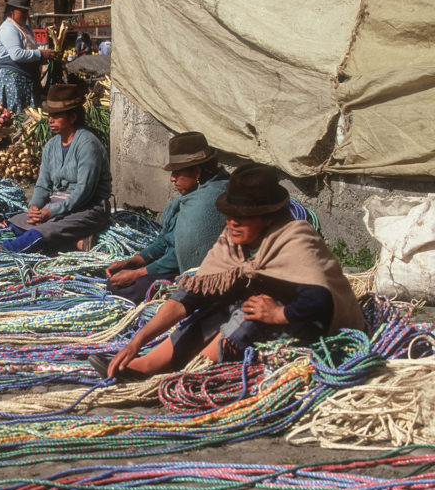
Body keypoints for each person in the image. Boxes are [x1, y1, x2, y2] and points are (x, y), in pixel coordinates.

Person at [90, 163, 365, 381]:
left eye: (242, 216)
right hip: (266, 316)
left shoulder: (295, 236)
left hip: (316, 327)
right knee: (215, 306)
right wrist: (137, 342)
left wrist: (278, 314)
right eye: (229, 214)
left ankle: (192, 374)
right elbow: (191, 295)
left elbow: (320, 301)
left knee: (247, 312)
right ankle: (147, 363)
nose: (232, 222)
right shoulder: (233, 240)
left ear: (267, 216)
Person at [0, 84, 111, 253]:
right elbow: (43, 184)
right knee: (17, 222)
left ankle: (0, 251)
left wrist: (51, 212)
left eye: (56, 116)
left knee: (42, 231)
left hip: (88, 208)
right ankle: (74, 241)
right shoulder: (52, 145)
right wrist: (35, 206)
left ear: (72, 117)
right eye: (49, 116)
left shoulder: (87, 145)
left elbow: (83, 191)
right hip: (58, 203)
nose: (50, 120)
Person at [105, 132, 229, 304]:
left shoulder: (207, 203)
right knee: (115, 281)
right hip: (169, 263)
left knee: (126, 289)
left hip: (183, 271)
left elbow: (181, 256)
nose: (172, 179)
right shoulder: (189, 198)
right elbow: (165, 240)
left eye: (177, 173)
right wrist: (136, 260)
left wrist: (138, 273)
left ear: (197, 172)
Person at [0, 0, 55, 112]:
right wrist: (40, 54)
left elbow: (31, 51)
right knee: (17, 117)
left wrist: (44, 57)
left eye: (27, 11)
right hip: (14, 81)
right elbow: (17, 55)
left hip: (28, 81)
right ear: (12, 10)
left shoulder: (26, 28)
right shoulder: (8, 29)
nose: (26, 15)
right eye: (23, 11)